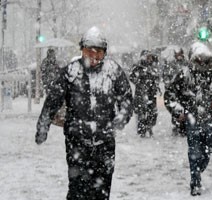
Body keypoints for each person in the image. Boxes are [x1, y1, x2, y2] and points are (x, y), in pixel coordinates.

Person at [35, 26, 133, 200]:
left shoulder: (113, 71)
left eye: (99, 52)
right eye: (89, 51)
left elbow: (126, 98)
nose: (94, 57)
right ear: (82, 50)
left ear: (105, 53)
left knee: (101, 191)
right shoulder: (71, 72)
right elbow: (52, 101)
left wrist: (121, 118)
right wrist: (43, 126)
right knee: (78, 190)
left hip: (105, 144)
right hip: (77, 143)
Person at [164, 42, 212, 195]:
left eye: (204, 60)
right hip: (191, 119)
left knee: (206, 153)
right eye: (198, 59)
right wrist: (179, 112)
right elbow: (169, 95)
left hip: (210, 120)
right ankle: (195, 183)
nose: (202, 63)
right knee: (194, 151)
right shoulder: (184, 75)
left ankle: (197, 171)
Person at [129, 50, 160, 138]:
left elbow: (157, 76)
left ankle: (149, 127)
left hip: (151, 92)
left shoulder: (153, 65)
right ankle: (141, 130)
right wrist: (139, 82)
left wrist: (155, 84)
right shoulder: (138, 66)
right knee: (141, 112)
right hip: (141, 92)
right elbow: (131, 76)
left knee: (152, 111)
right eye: (147, 56)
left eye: (150, 56)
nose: (149, 58)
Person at [163, 47, 189, 136]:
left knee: (184, 108)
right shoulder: (171, 64)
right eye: (177, 54)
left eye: (180, 54)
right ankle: (176, 124)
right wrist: (168, 83)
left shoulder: (186, 64)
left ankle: (184, 126)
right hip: (174, 89)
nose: (179, 56)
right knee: (175, 108)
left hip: (183, 89)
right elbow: (166, 75)